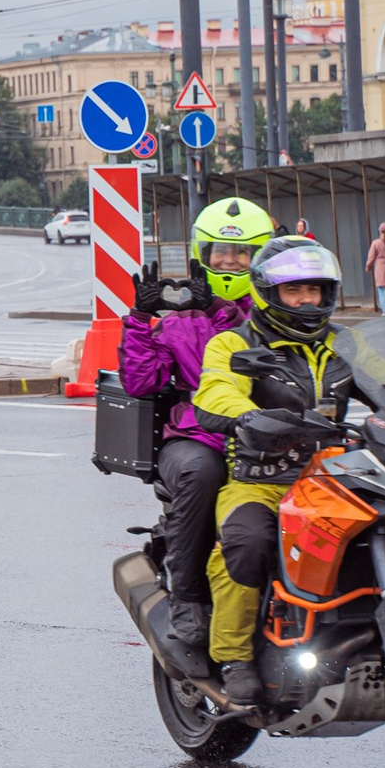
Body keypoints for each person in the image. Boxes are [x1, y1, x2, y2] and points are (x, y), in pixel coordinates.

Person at [190, 238, 352, 707]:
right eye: (293, 290)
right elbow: (216, 390)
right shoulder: (235, 342)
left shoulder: (345, 343)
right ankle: (234, 658)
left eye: (314, 290)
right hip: (261, 480)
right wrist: (249, 416)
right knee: (247, 543)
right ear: (268, 293)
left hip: (333, 478)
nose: (306, 301)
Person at [117, 197, 273, 670]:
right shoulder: (181, 320)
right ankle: (188, 598)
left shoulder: (281, 307)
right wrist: (140, 320)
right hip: (197, 436)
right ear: (201, 255)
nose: (230, 263)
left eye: (242, 253)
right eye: (220, 253)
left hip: (271, 437)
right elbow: (141, 382)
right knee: (203, 473)